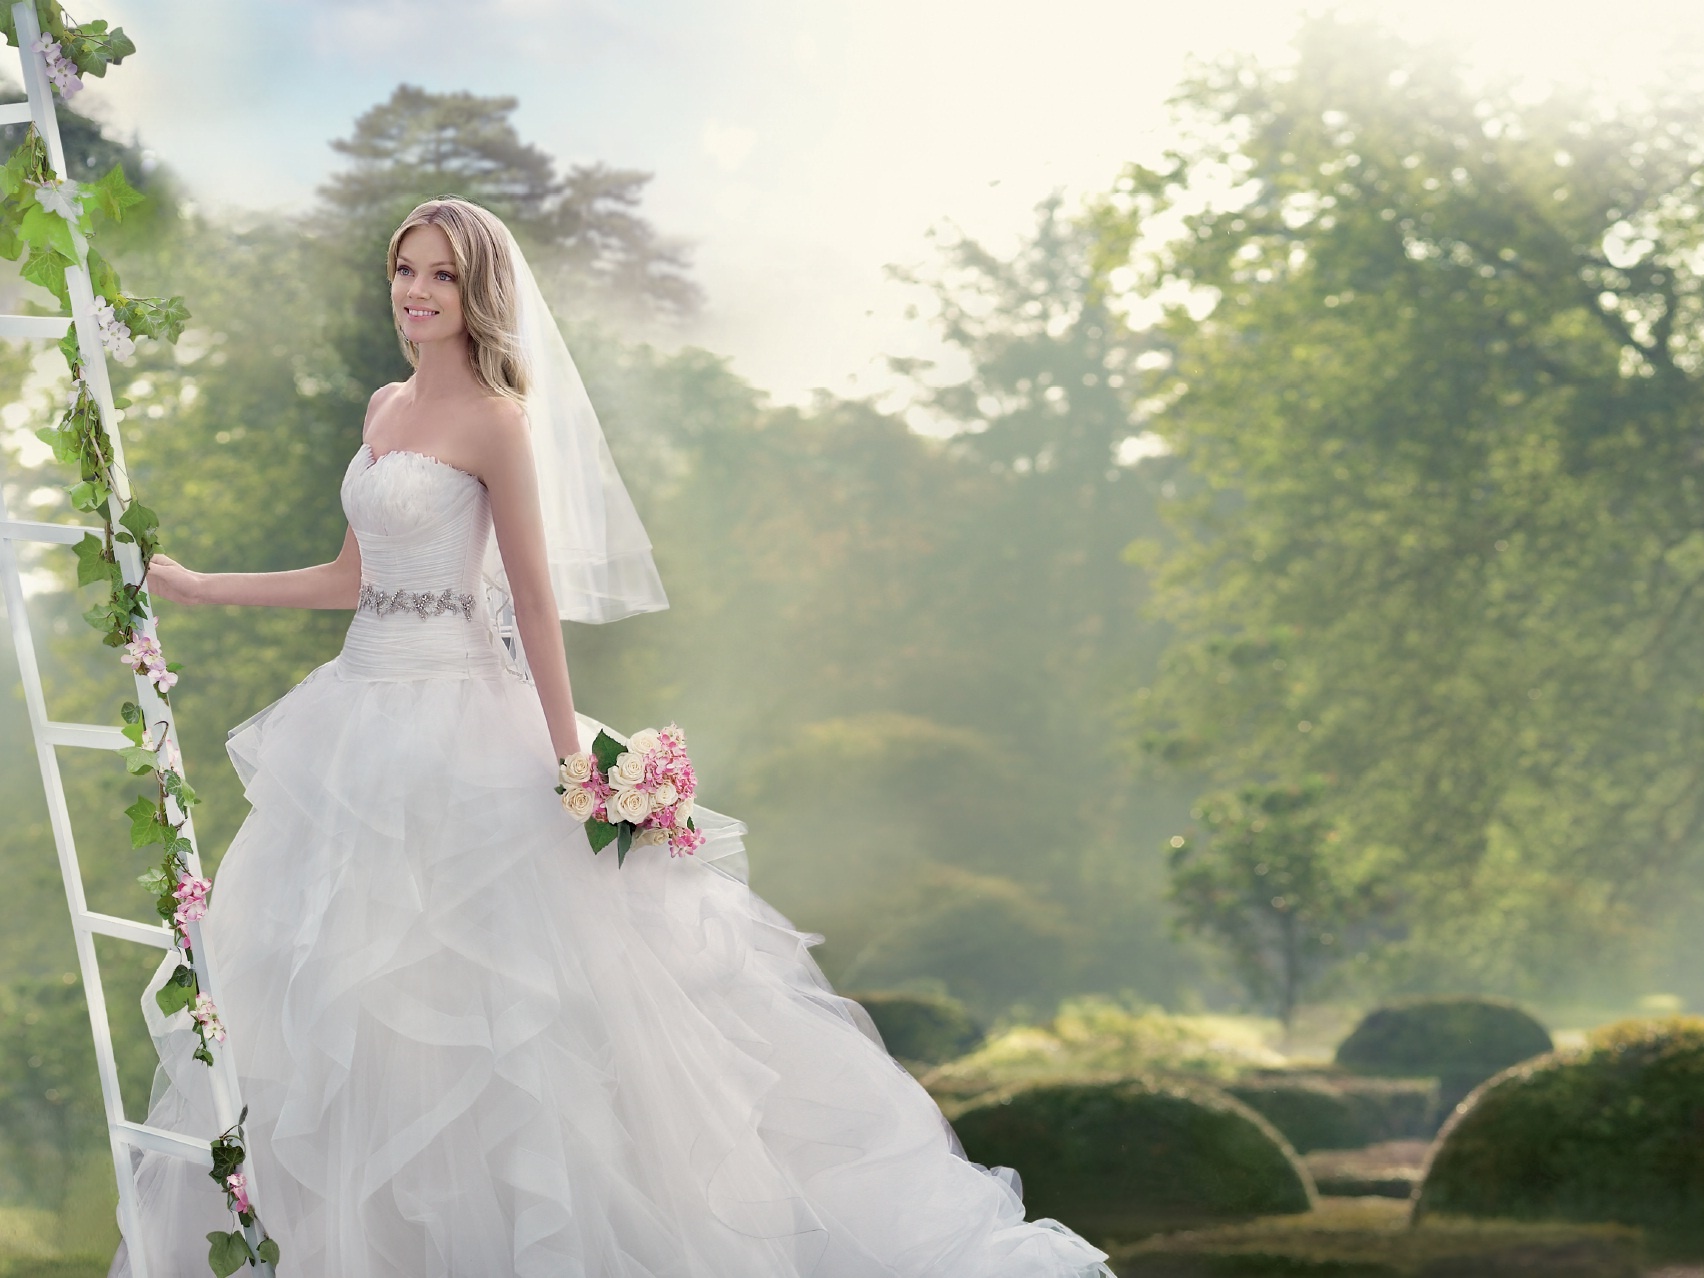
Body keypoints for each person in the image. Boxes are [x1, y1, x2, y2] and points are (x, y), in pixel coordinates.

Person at [111, 197, 1114, 1278]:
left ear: (477, 292)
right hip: (358, 726)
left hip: (464, 715)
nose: (416, 291)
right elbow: (352, 579)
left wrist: (566, 762)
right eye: (406, 269)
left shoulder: (497, 419)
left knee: (516, 1024)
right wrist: (199, 586)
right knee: (352, 1010)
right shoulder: (384, 408)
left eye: (442, 276)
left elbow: (532, 601)